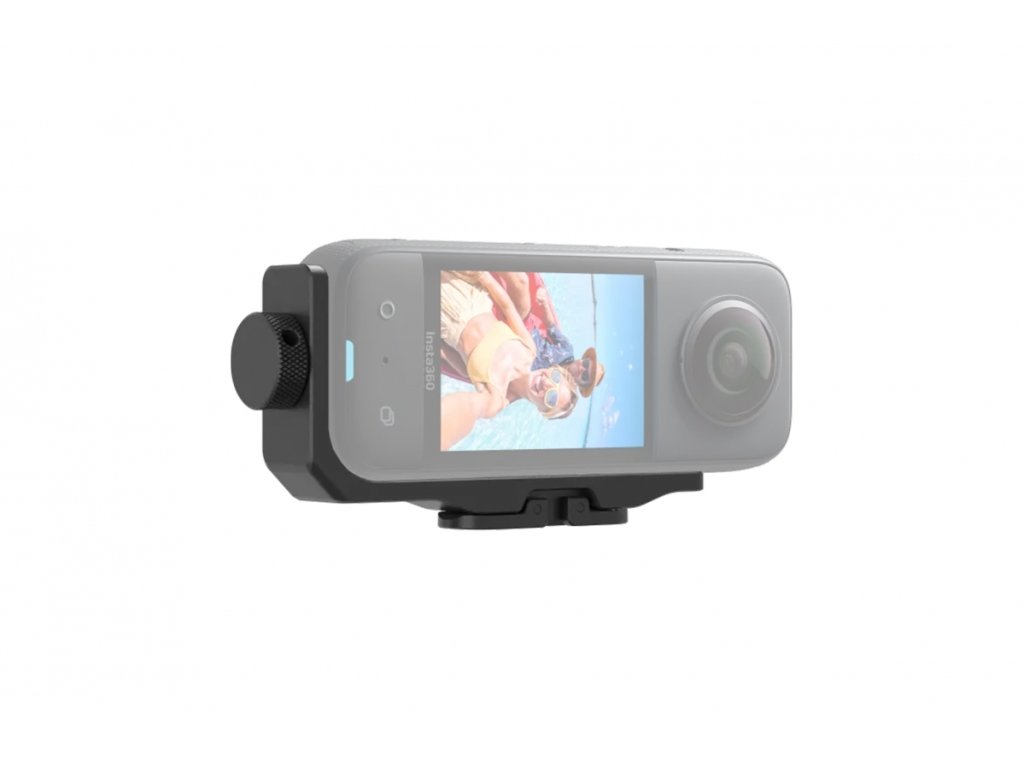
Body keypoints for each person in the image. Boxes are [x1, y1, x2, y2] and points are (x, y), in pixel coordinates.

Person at [439, 270, 580, 451]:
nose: (547, 384)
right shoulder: (530, 350)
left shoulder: (497, 398)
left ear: (542, 411)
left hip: (444, 320)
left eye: (551, 398)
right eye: (556, 378)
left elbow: (469, 407)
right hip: (473, 292)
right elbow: (507, 308)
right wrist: (484, 277)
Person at [494, 273, 607, 398]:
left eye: (585, 376)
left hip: (519, 358)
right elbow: (551, 325)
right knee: (522, 282)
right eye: (586, 364)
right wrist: (544, 303)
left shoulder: (556, 389)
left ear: (581, 384)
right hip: (527, 330)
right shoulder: (567, 349)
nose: (582, 369)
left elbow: (531, 392)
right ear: (582, 360)